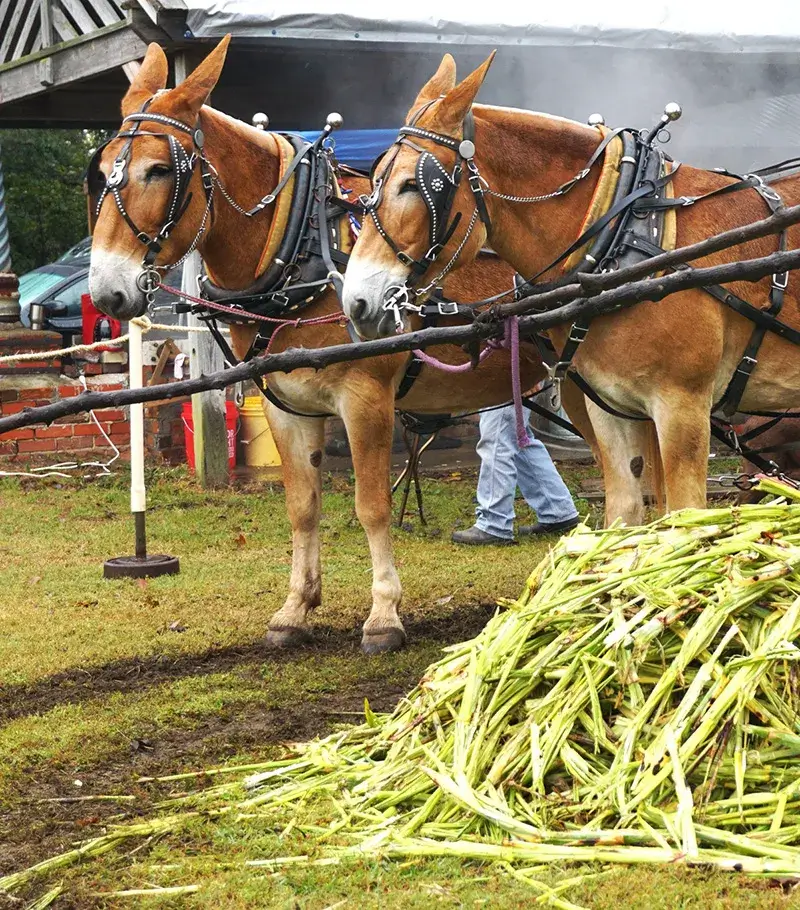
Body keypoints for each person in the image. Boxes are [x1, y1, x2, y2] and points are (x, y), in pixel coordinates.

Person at [452, 405, 579, 545]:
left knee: (497, 437)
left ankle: (494, 524)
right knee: (517, 437)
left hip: (505, 385)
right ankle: (558, 511)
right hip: (507, 384)